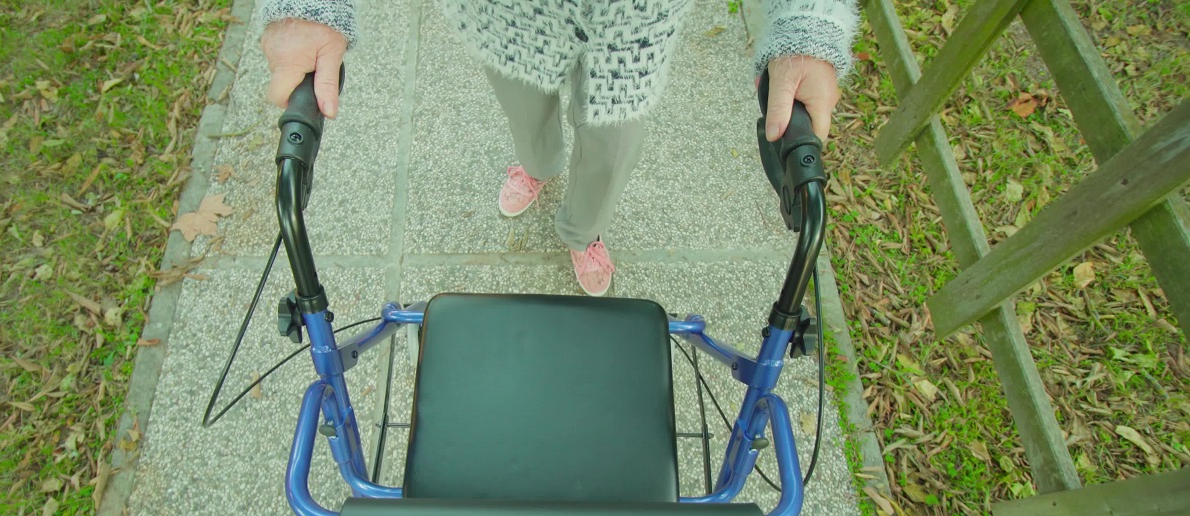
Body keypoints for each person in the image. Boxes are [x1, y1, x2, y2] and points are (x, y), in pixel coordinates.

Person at [258, 0, 858, 296]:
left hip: (635, 25)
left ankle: (582, 228)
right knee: (526, 110)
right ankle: (538, 164)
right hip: (506, 13)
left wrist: (808, 25)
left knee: (613, 146)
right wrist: (302, 8)